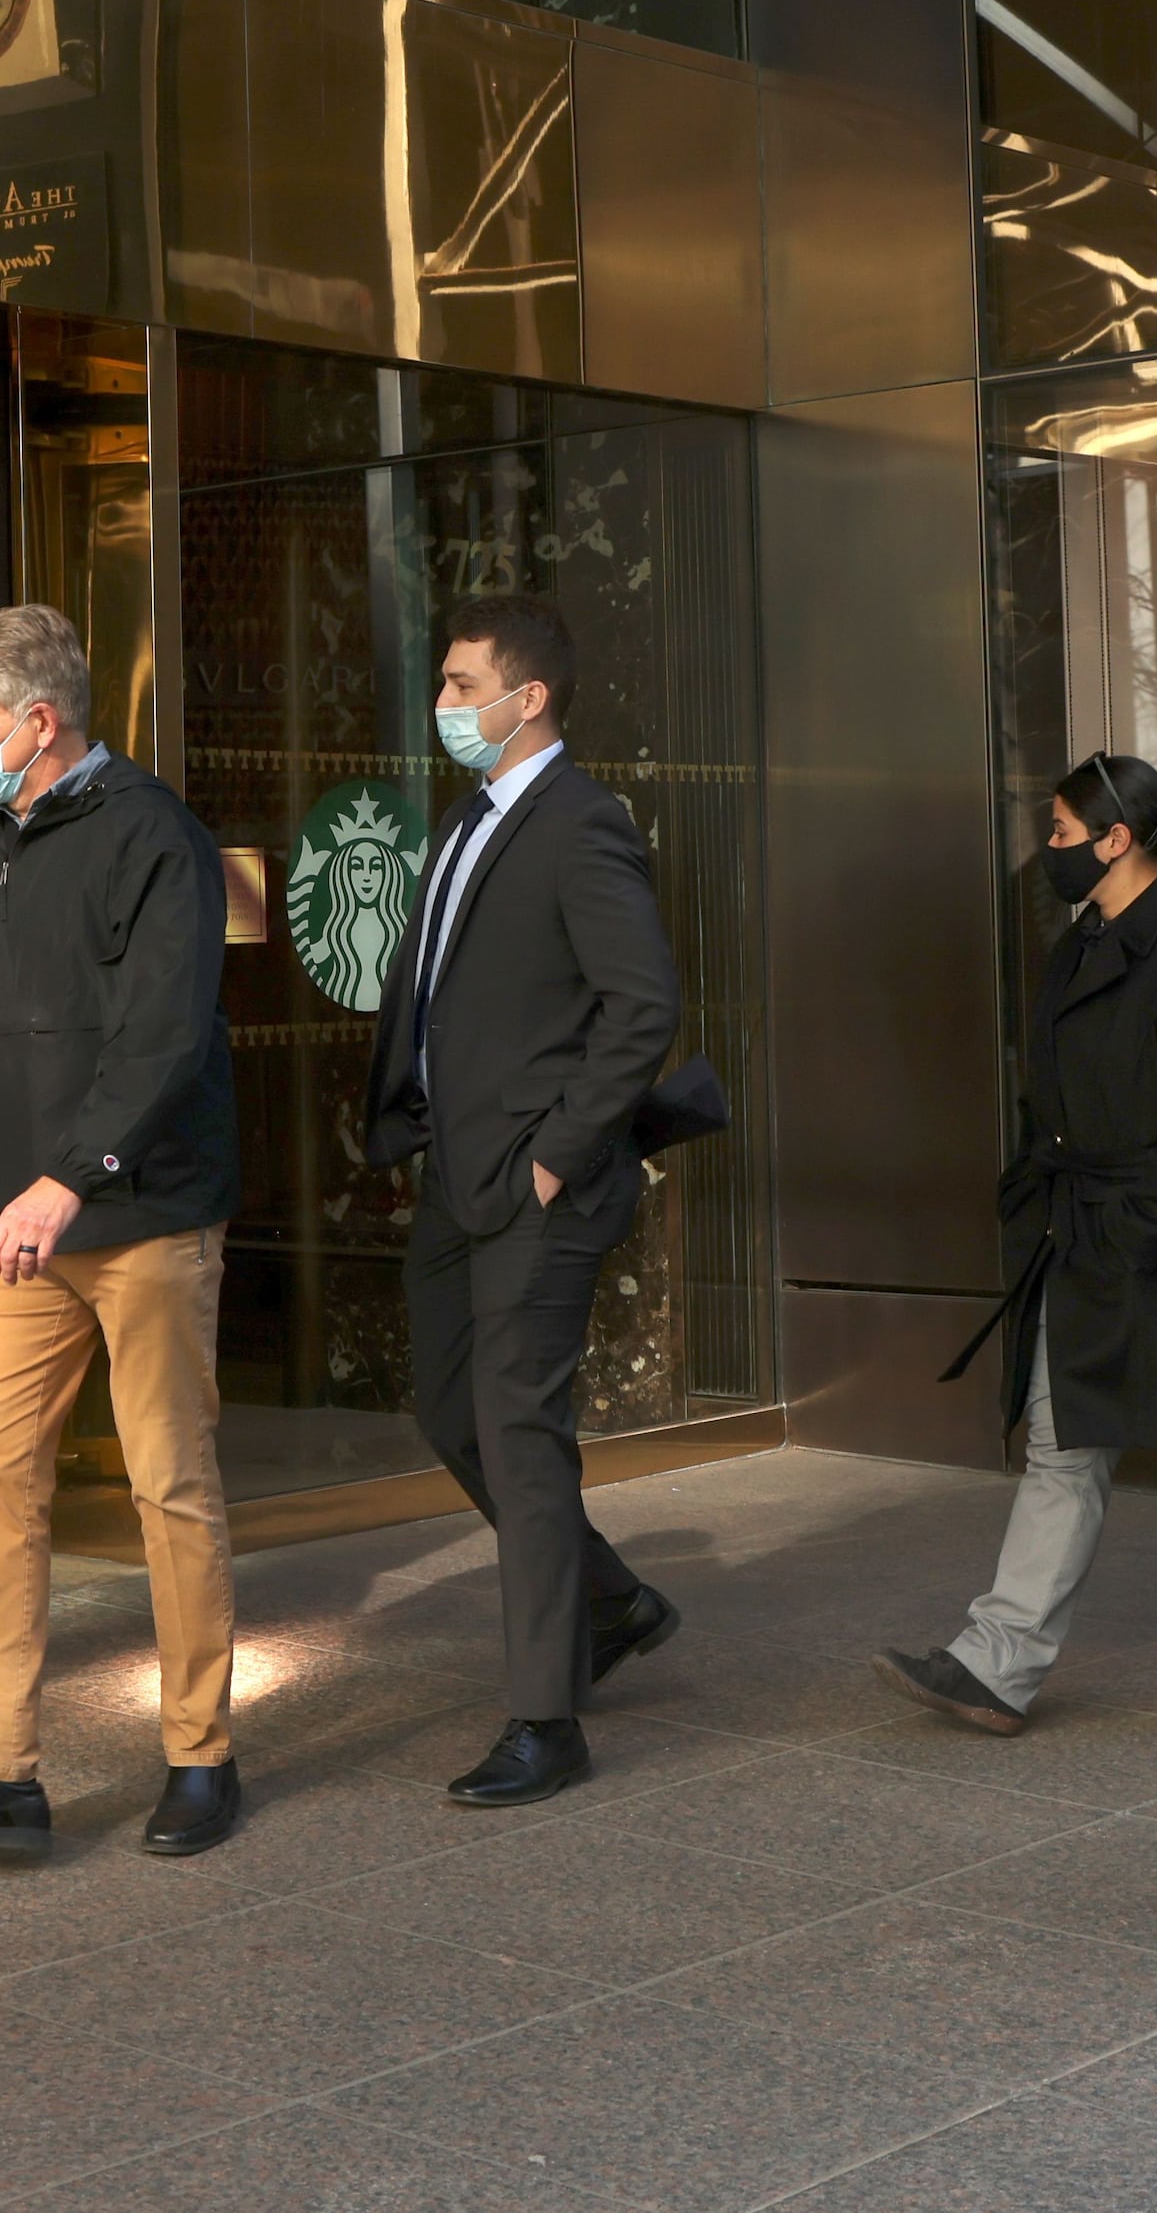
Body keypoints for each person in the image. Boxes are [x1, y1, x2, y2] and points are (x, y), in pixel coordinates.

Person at [0, 603, 245, 1861]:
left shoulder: (150, 836)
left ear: (38, 720)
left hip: (136, 1218)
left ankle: (198, 1753)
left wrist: (71, 1175)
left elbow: (163, 1033)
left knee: (167, 1484)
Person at [874, 752, 1157, 1748]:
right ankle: (996, 1661)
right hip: (1092, 1233)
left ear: (1118, 838)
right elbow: (1054, 1097)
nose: (1049, 852)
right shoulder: (1084, 942)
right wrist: (1038, 1196)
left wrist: (1124, 1227)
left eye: (1063, 835)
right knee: (1061, 1450)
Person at [359, 595, 689, 1808]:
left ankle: (545, 1717)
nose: (443, 706)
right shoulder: (469, 818)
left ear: (525, 696)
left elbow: (640, 1005)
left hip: (537, 1185)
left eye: (458, 684)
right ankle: (612, 1600)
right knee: (449, 1408)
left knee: (519, 1429)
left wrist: (556, 1154)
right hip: (455, 1173)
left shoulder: (580, 822)